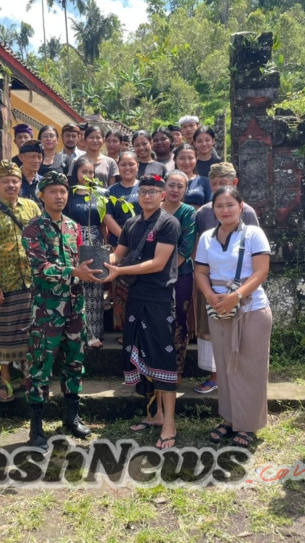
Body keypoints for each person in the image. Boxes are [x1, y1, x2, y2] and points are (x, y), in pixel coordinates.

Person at [21, 171, 101, 450]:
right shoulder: (33, 229)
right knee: (40, 366)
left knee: (74, 362)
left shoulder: (73, 227)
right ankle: (36, 428)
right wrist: (73, 270)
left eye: (63, 191)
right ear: (41, 196)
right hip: (46, 310)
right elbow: (39, 267)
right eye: (53, 191)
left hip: (74, 308)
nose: (59, 196)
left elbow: (82, 259)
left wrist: (98, 264)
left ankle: (71, 417)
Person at [100, 173, 180, 449]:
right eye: (143, 192)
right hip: (134, 297)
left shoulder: (168, 223)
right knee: (141, 354)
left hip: (158, 298)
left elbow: (158, 263)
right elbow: (118, 254)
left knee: (162, 358)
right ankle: (156, 415)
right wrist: (100, 263)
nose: (147, 196)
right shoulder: (132, 223)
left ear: (162, 195)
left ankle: (170, 423)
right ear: (138, 195)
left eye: (152, 192)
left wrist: (118, 271)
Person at [195, 186, 272, 449]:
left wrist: (235, 297)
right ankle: (229, 418)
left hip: (250, 309)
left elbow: (260, 272)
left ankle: (248, 424)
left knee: (250, 367)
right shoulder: (206, 237)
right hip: (218, 309)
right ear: (212, 209)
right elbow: (201, 272)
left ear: (241, 207)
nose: (225, 210)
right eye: (219, 206)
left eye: (230, 205)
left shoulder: (253, 234)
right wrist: (210, 296)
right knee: (226, 368)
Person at [0, 160, 41, 402]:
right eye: (6, 181)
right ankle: (5, 380)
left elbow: (40, 239)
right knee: (5, 333)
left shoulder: (32, 207)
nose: (11, 185)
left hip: (31, 281)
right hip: (5, 281)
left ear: (20, 183)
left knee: (30, 331)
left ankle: (28, 376)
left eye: (15, 180)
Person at [194, 162, 259, 394]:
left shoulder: (247, 212)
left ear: (235, 183)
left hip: (239, 284)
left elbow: (256, 255)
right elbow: (198, 250)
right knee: (212, 329)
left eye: (225, 182)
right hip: (210, 282)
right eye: (215, 183)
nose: (220, 186)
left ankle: (237, 377)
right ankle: (214, 376)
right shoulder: (203, 212)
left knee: (240, 329)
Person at [64, 157, 107, 348]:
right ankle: (82, 332)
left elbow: (104, 222)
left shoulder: (100, 194)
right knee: (79, 286)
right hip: (75, 241)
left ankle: (96, 333)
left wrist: (106, 245)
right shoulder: (70, 195)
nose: (88, 175)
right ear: (76, 173)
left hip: (96, 240)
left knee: (95, 285)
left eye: (91, 172)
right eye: (84, 171)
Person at [161, 170, 197, 382]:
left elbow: (186, 247)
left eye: (180, 186)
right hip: (152, 277)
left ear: (185, 190)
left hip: (181, 274)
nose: (175, 190)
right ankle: (156, 366)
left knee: (179, 320)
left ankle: (177, 367)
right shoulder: (154, 209)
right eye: (171, 185)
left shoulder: (188, 213)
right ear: (164, 187)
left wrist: (160, 269)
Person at [103, 151, 140, 333]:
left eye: (131, 164)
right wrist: (126, 237)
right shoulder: (112, 191)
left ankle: (139, 329)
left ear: (137, 166)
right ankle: (123, 330)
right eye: (123, 164)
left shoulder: (144, 188)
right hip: (118, 244)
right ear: (118, 167)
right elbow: (107, 217)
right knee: (119, 287)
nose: (127, 168)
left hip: (143, 244)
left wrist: (136, 238)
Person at [173, 144, 211, 210]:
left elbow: (211, 206)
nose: (187, 162)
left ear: (196, 159)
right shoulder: (168, 181)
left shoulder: (205, 181)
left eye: (190, 158)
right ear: (175, 160)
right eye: (182, 158)